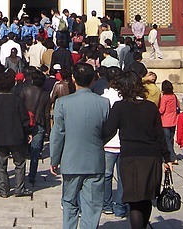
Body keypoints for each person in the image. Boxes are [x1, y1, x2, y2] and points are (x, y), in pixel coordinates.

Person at [102, 70, 172, 229]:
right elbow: (159, 135)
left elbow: (108, 131)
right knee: (146, 198)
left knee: (134, 201)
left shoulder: (119, 107)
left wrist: (95, 143)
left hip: (130, 158)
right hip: (151, 157)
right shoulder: (151, 107)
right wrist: (167, 158)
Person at [50, 63, 111, 229]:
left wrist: (54, 158)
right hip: (94, 160)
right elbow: (109, 130)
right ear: (93, 80)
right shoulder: (104, 103)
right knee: (92, 206)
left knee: (69, 202)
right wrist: (99, 143)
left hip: (71, 160)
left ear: (73, 79)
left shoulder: (62, 103)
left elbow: (57, 134)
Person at [0, 71, 33, 198]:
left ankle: (3, 190)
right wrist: (28, 132)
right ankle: (19, 188)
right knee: (19, 163)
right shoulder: (17, 100)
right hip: (16, 136)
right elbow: (24, 118)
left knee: (1, 164)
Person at [101, 66, 128, 217]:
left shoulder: (103, 98)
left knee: (106, 175)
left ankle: (107, 204)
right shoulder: (126, 98)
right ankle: (120, 206)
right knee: (123, 176)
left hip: (108, 142)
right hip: (123, 141)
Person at [158, 80, 179, 164]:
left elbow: (162, 110)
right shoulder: (174, 96)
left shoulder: (164, 97)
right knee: (170, 140)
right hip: (173, 121)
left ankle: (172, 157)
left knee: (166, 141)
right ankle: (171, 155)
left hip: (165, 121)